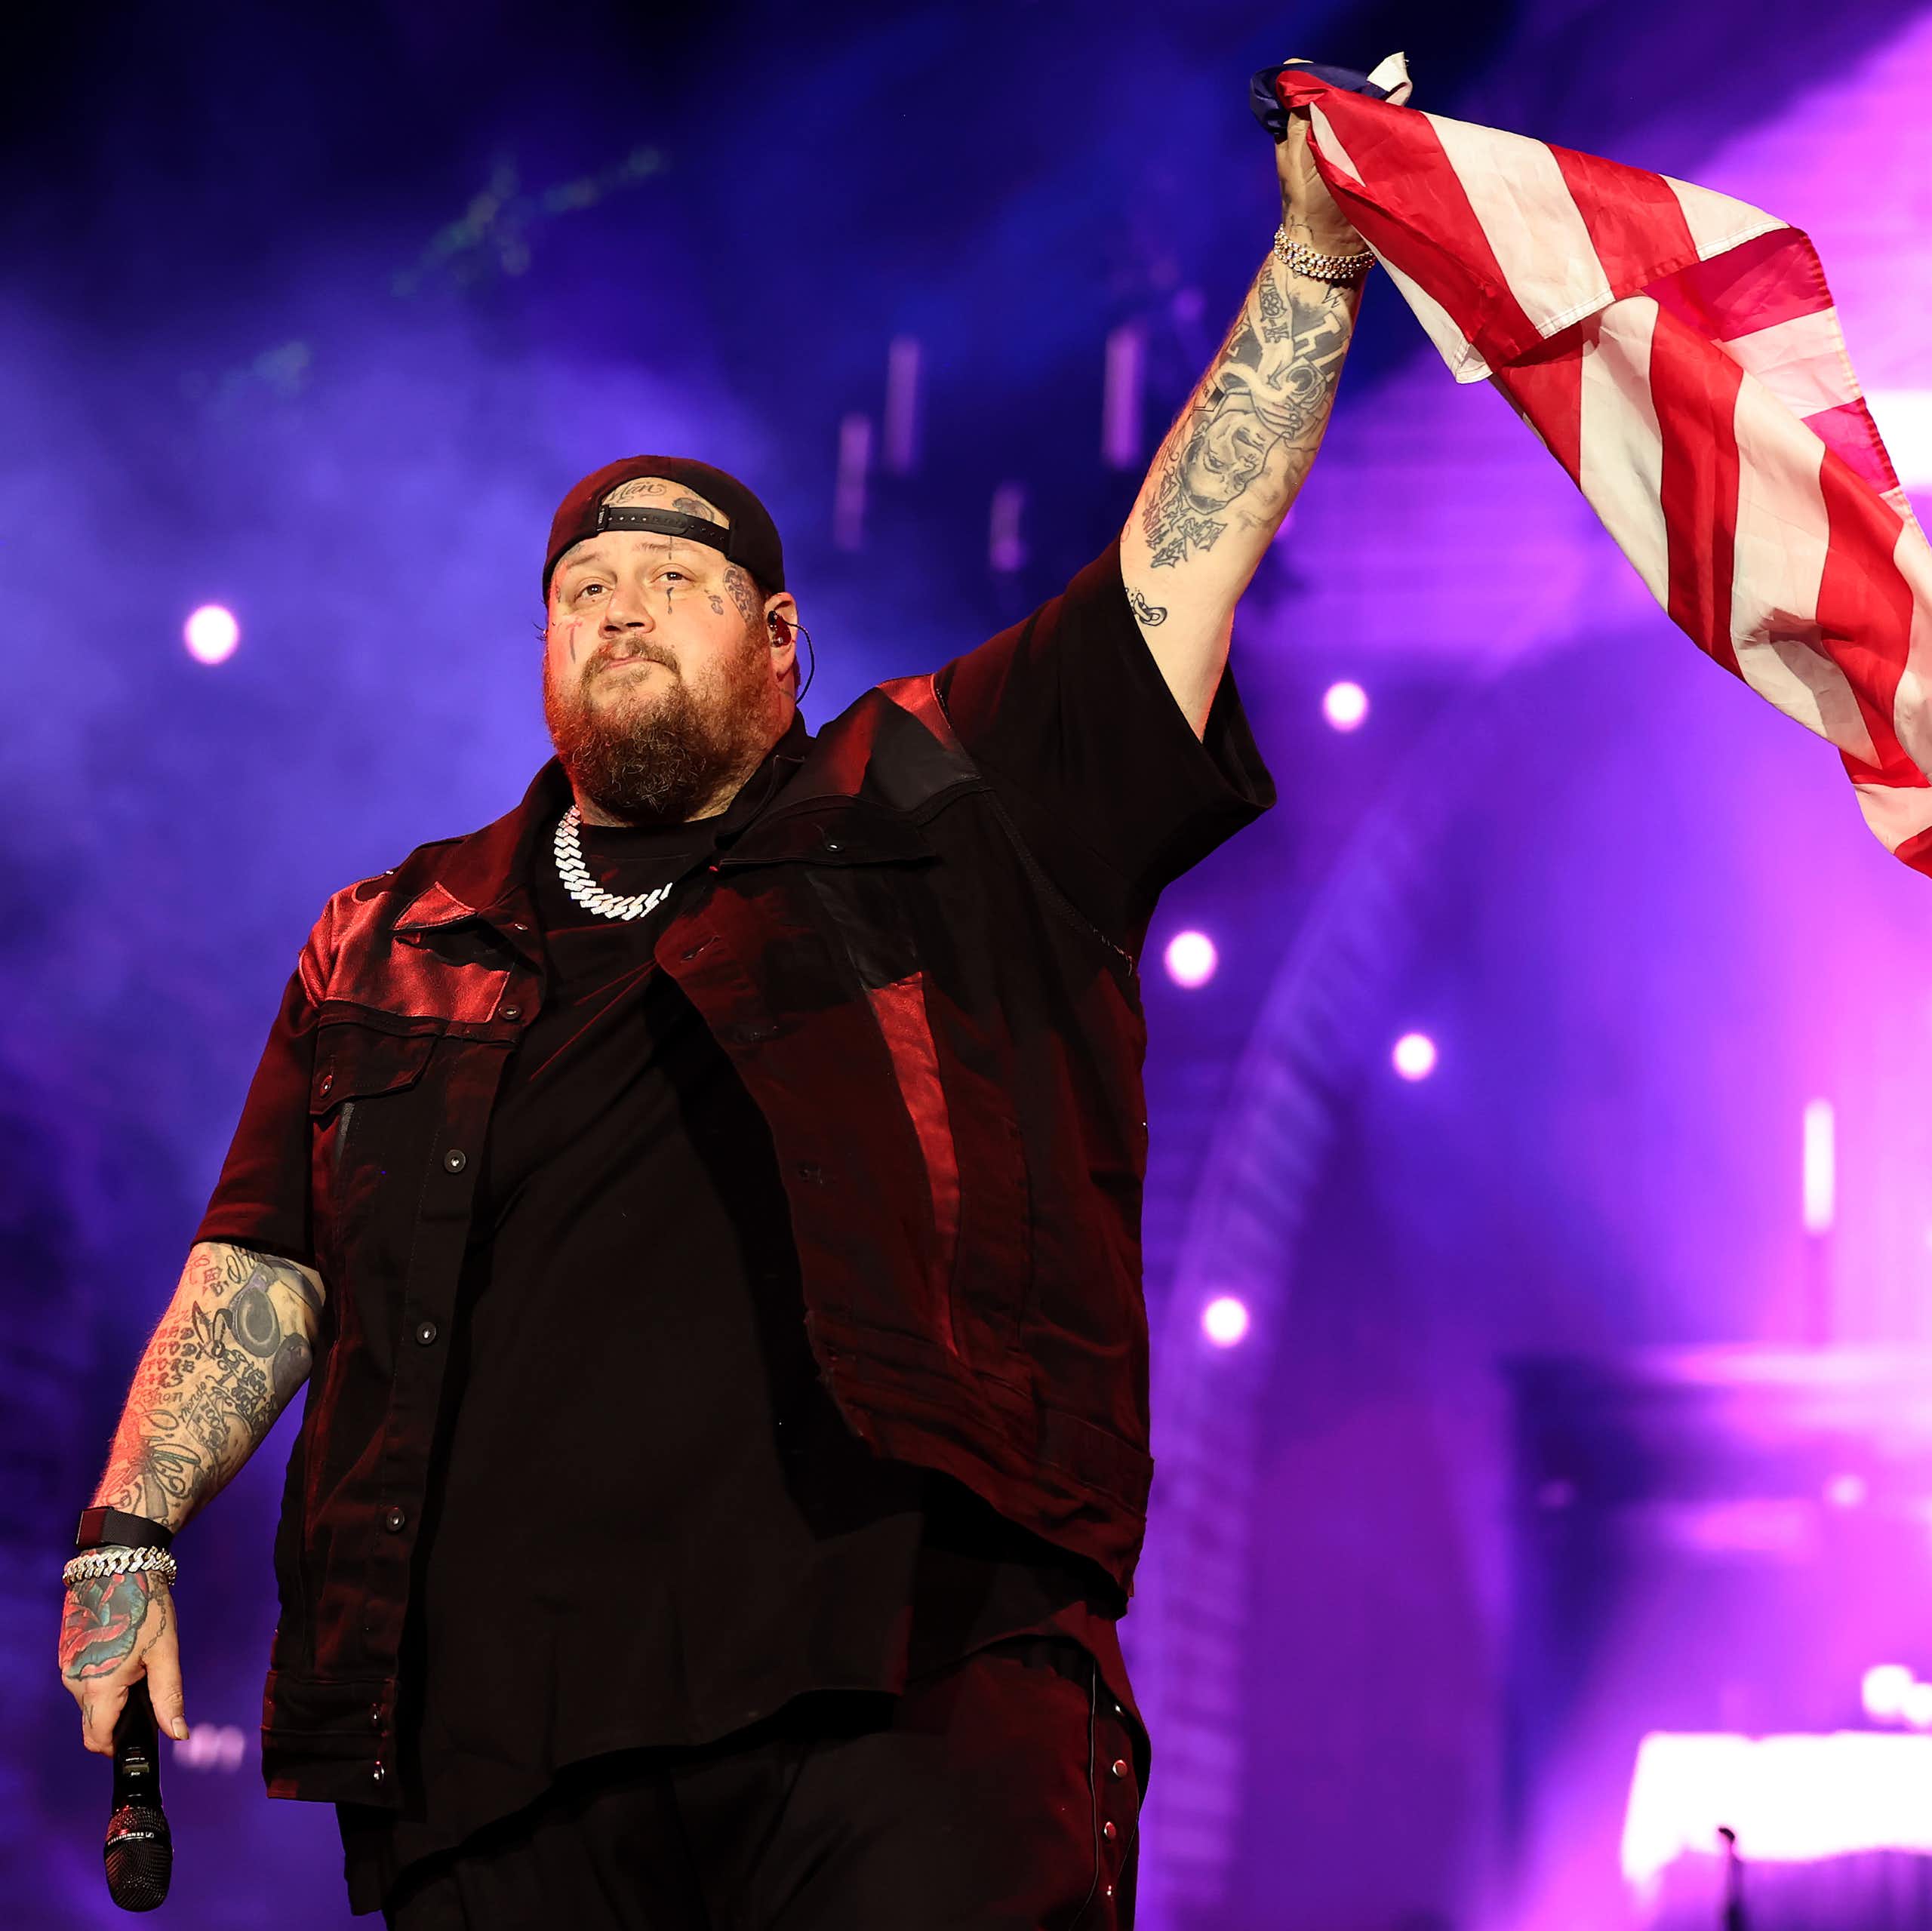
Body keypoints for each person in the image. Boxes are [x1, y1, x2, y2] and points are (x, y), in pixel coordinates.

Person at [57, 96, 1372, 1930]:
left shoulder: (937, 808)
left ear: (778, 643)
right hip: (495, 1757)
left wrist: (1314, 256)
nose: (623, 606)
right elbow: (270, 1258)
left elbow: (1174, 569)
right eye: (584, 588)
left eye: (677, 579)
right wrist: (128, 1527)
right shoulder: (391, 933)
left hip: (899, 1694)